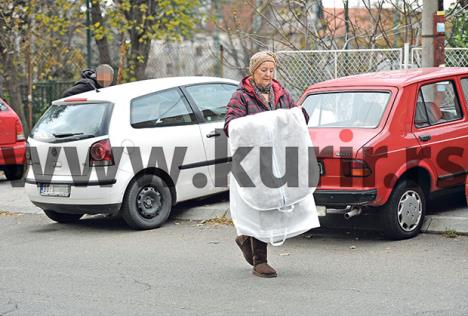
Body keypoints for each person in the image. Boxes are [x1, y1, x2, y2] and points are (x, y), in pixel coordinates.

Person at [224, 51, 309, 278]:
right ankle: (259, 261)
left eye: (272, 70)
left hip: (277, 160)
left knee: (272, 205)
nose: (268, 74)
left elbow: (299, 117)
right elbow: (230, 126)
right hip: (252, 160)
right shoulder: (240, 96)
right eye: (264, 70)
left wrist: (298, 115)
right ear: (253, 71)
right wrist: (262, 123)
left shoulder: (280, 93)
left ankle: (245, 240)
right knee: (258, 207)